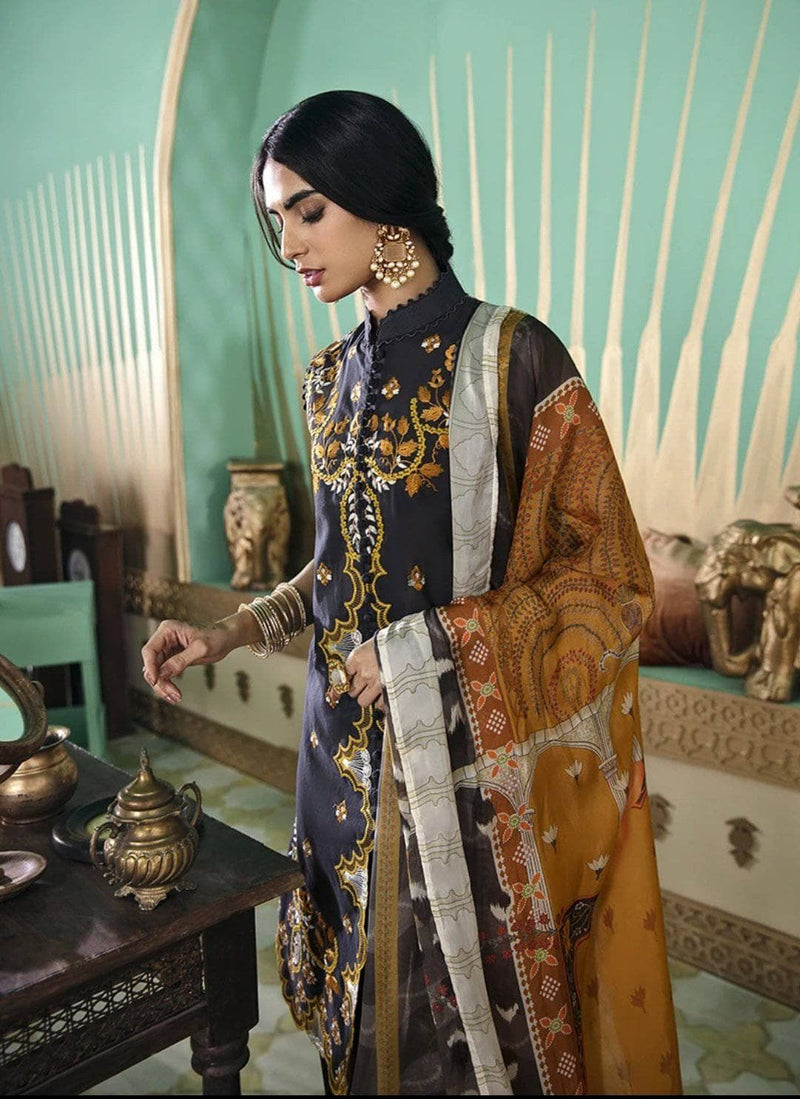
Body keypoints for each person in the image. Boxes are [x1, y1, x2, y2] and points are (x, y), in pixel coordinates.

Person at [142, 90, 681, 1097]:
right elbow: (341, 563)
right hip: (337, 762)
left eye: (309, 211)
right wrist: (232, 631)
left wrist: (425, 646)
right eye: (277, 220)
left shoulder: (512, 357)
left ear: (380, 195)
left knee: (466, 1048)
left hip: (467, 778)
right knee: (363, 1040)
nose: (290, 245)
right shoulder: (326, 379)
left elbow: (608, 577)